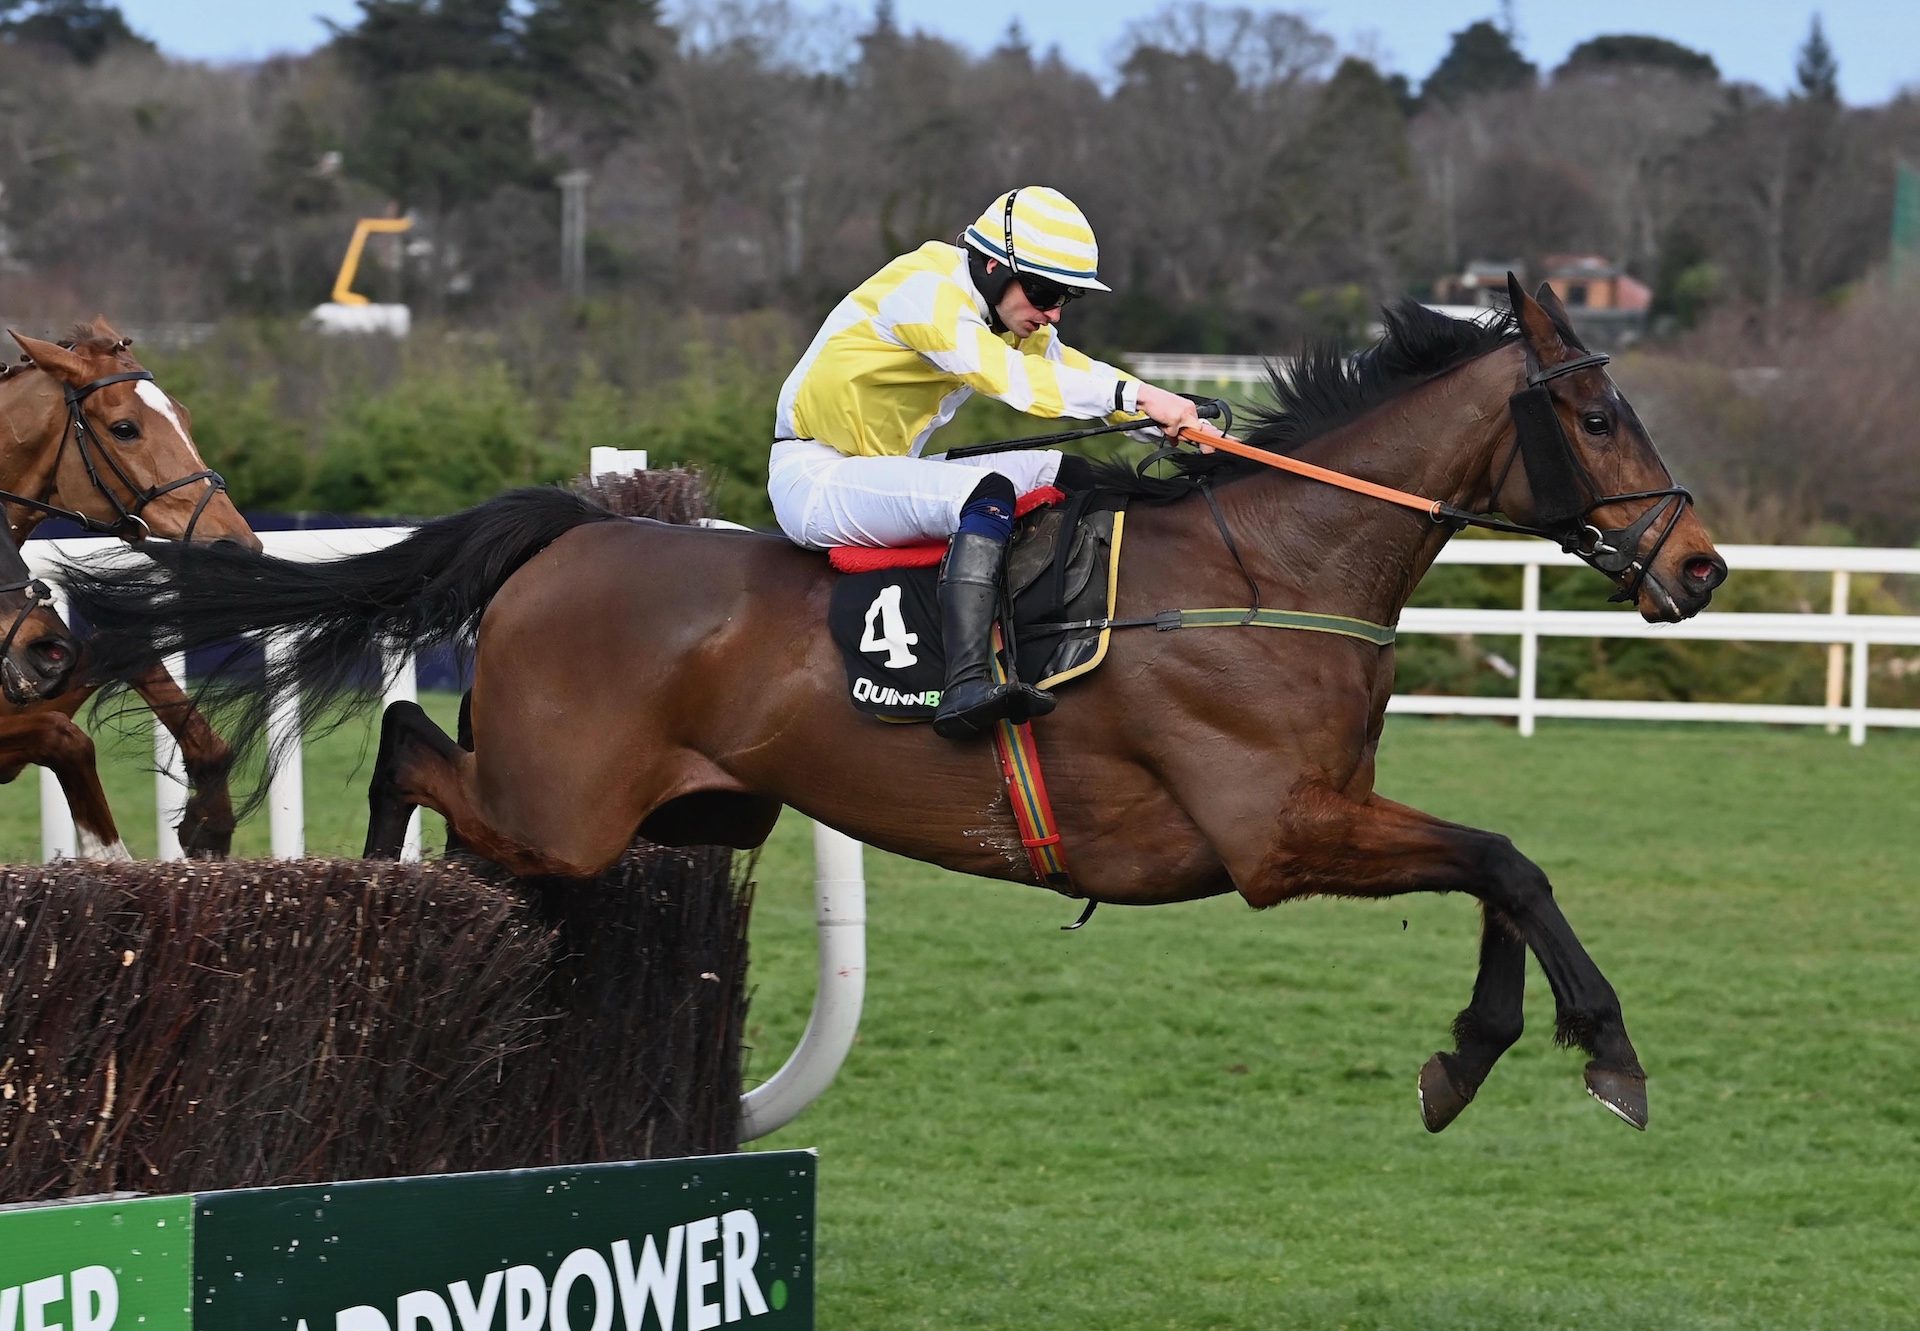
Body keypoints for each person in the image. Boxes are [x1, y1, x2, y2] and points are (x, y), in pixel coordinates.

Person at [769, 185, 1203, 739]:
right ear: (994, 266)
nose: (1052, 313)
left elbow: (1072, 369)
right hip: (816, 477)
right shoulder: (926, 291)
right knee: (987, 492)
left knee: (1063, 473)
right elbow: (1011, 379)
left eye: (1067, 298)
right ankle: (965, 683)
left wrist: (1167, 422)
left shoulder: (1001, 313)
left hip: (880, 471)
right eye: (1045, 291)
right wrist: (1141, 400)